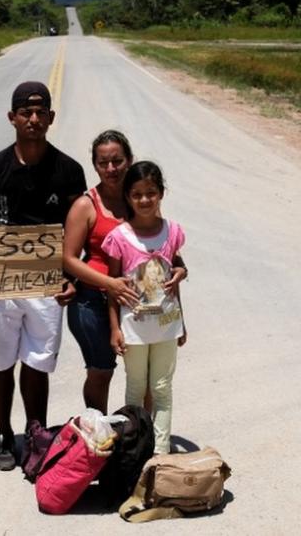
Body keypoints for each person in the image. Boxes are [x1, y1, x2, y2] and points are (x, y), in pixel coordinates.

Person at [0, 81, 86, 471]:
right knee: (2, 360)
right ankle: (4, 433)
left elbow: (78, 228)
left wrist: (74, 275)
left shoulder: (69, 170)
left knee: (38, 362)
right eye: (26, 112)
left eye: (41, 113)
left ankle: (35, 434)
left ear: (51, 118)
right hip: (3, 281)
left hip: (47, 283)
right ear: (13, 117)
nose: (33, 119)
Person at [63, 131, 185, 414]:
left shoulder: (139, 198)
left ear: (130, 160)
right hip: (92, 302)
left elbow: (166, 249)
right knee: (101, 371)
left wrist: (181, 269)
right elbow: (69, 259)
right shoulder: (86, 205)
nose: (111, 169)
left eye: (117, 161)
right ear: (94, 165)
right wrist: (110, 283)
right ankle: (98, 435)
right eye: (103, 163)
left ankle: (143, 436)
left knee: (146, 375)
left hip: (143, 304)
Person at [103, 161, 187, 455]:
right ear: (128, 197)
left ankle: (160, 454)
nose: (144, 200)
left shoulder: (172, 232)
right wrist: (114, 327)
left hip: (167, 326)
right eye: (137, 194)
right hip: (133, 330)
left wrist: (182, 323)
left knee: (162, 389)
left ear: (161, 193)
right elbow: (113, 287)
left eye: (151, 192)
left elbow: (174, 277)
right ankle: (134, 450)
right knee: (136, 389)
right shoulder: (120, 238)